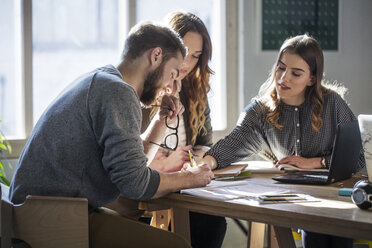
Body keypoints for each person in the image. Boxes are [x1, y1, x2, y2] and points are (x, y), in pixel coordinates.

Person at [9, 21, 214, 247]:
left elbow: (132, 167)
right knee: (177, 244)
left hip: (37, 213)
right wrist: (190, 177)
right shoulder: (118, 92)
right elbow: (135, 184)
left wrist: (161, 121)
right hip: (50, 219)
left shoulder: (103, 80)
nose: (171, 87)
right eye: (173, 75)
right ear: (156, 56)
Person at [200, 34, 365, 248]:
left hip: (335, 197)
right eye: (280, 68)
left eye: (296, 73)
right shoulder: (260, 111)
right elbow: (233, 143)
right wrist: (207, 162)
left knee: (332, 229)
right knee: (314, 228)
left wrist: (317, 162)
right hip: (296, 202)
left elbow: (360, 157)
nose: (283, 78)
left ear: (312, 79)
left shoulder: (333, 104)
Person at [140, 12, 226, 248]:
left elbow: (205, 142)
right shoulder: (142, 90)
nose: (187, 64)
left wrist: (192, 159)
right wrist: (165, 164)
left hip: (184, 184)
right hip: (150, 189)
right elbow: (132, 159)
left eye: (196, 57)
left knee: (214, 221)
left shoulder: (195, 89)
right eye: (185, 54)